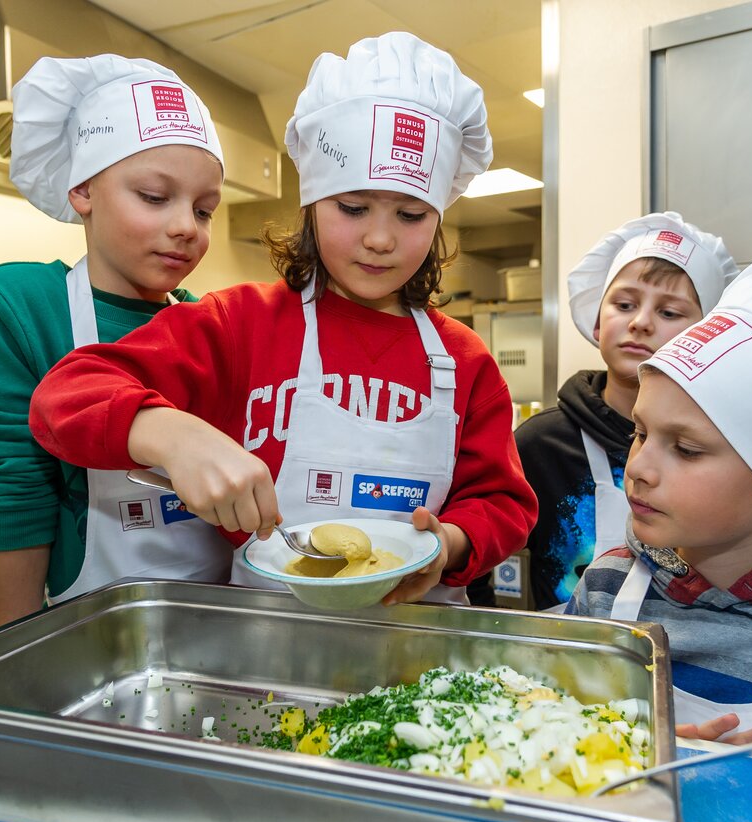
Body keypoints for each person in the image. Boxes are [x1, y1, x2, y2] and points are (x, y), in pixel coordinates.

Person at [28, 32, 538, 607]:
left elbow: (503, 501)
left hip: (419, 651)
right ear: (311, 205)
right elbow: (66, 396)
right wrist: (171, 435)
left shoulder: (463, 361)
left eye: (411, 213)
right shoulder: (241, 324)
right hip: (267, 649)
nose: (379, 237)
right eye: (351, 207)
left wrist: (449, 543)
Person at [0, 54, 230, 626]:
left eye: (204, 210)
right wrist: (20, 651)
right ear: (82, 190)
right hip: (91, 629)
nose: (186, 227)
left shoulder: (210, 321)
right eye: (155, 196)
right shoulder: (23, 304)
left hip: (221, 618)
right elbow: (17, 489)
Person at [470, 213, 738, 611]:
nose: (641, 322)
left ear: (707, 335)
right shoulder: (540, 445)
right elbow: (489, 565)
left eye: (669, 313)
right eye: (624, 304)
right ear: (597, 321)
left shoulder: (726, 449)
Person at [566, 260, 752, 741]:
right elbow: (553, 720)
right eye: (641, 433)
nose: (640, 468)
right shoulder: (606, 587)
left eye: (686, 449)